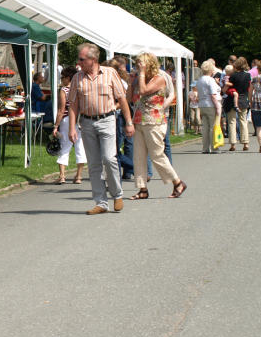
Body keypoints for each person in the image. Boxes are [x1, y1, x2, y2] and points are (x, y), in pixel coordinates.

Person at [67, 43, 134, 215]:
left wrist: (128, 121)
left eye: (82, 59)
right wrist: (72, 127)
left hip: (107, 120)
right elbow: (73, 104)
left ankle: (117, 194)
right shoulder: (77, 78)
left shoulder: (110, 73)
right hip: (87, 123)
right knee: (94, 164)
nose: (79, 62)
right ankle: (101, 203)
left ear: (93, 60)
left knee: (109, 158)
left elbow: (122, 99)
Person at [127, 53, 186, 199]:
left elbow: (144, 91)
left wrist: (140, 75)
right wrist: (130, 82)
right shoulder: (140, 79)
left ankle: (177, 182)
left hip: (154, 121)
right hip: (139, 120)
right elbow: (129, 98)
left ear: (149, 64)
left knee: (156, 155)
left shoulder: (159, 78)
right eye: (137, 64)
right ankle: (142, 189)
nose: (138, 66)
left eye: (141, 64)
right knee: (139, 156)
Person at [52, 67, 87, 184]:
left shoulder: (64, 90)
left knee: (64, 146)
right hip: (80, 120)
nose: (61, 80)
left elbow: (61, 110)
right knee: (80, 147)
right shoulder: (80, 89)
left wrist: (56, 125)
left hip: (67, 119)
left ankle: (62, 175)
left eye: (62, 77)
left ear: (68, 78)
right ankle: (79, 176)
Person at [195, 60, 222, 153]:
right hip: (210, 104)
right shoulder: (210, 80)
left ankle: (205, 148)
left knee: (205, 127)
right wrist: (218, 106)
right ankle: (214, 147)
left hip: (202, 105)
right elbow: (213, 95)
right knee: (213, 126)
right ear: (211, 70)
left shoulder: (199, 80)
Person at [225, 57, 251, 151]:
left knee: (232, 121)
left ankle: (233, 144)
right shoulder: (248, 75)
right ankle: (245, 142)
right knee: (243, 121)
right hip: (243, 99)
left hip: (232, 99)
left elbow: (228, 88)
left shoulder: (233, 76)